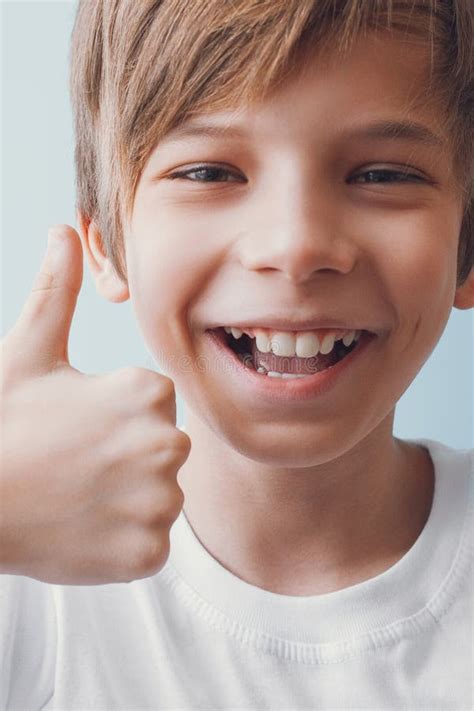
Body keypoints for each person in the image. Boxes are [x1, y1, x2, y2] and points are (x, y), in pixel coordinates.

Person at [1, 0, 473, 708]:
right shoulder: (23, 577)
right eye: (208, 172)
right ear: (106, 242)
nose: (296, 246)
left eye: (383, 175)